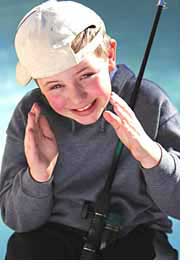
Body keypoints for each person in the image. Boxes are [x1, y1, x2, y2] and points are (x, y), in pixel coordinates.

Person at [0, 0, 179, 260]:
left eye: (86, 75)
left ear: (109, 55)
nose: (77, 97)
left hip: (135, 236)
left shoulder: (150, 102)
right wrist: (38, 176)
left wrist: (151, 156)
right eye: (55, 86)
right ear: (38, 84)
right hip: (51, 235)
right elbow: (18, 220)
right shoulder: (31, 116)